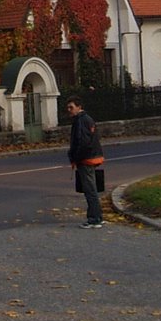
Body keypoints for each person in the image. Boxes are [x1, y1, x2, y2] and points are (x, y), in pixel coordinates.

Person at [66, 96, 105, 229]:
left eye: (71, 107)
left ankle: (94, 219)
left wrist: (75, 157)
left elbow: (82, 142)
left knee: (90, 189)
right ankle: (97, 216)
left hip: (86, 159)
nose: (69, 110)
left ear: (79, 107)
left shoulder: (81, 121)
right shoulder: (87, 119)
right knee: (91, 188)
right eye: (68, 107)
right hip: (92, 157)